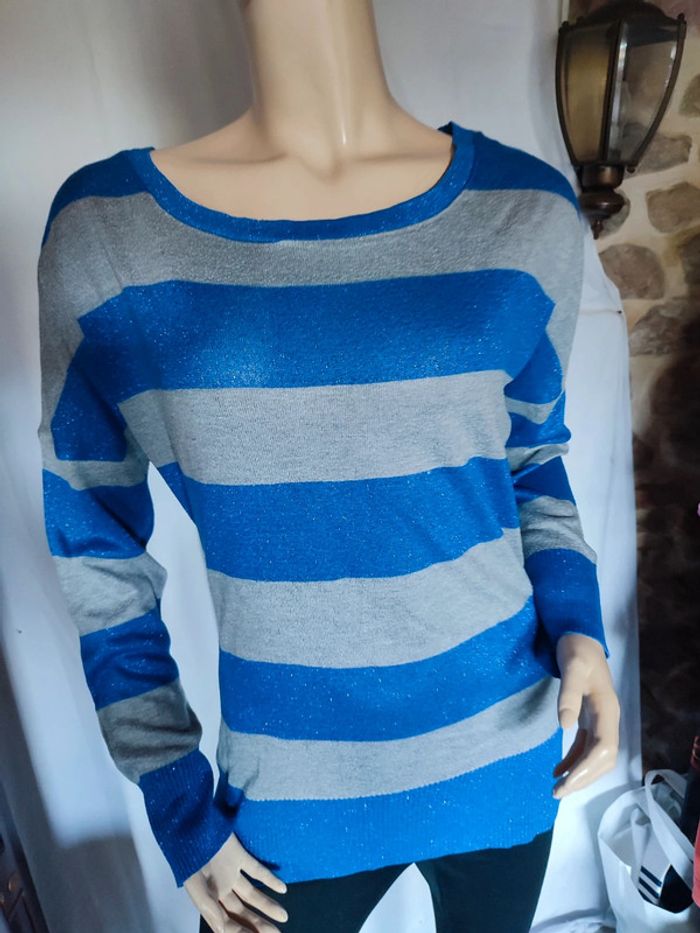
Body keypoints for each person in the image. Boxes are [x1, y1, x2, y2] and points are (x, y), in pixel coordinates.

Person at [35, 1, 621, 930]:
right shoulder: (109, 234)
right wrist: (177, 797)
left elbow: (532, 458)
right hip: (289, 796)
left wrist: (580, 630)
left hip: (506, 750)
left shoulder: (525, 210)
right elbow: (94, 544)